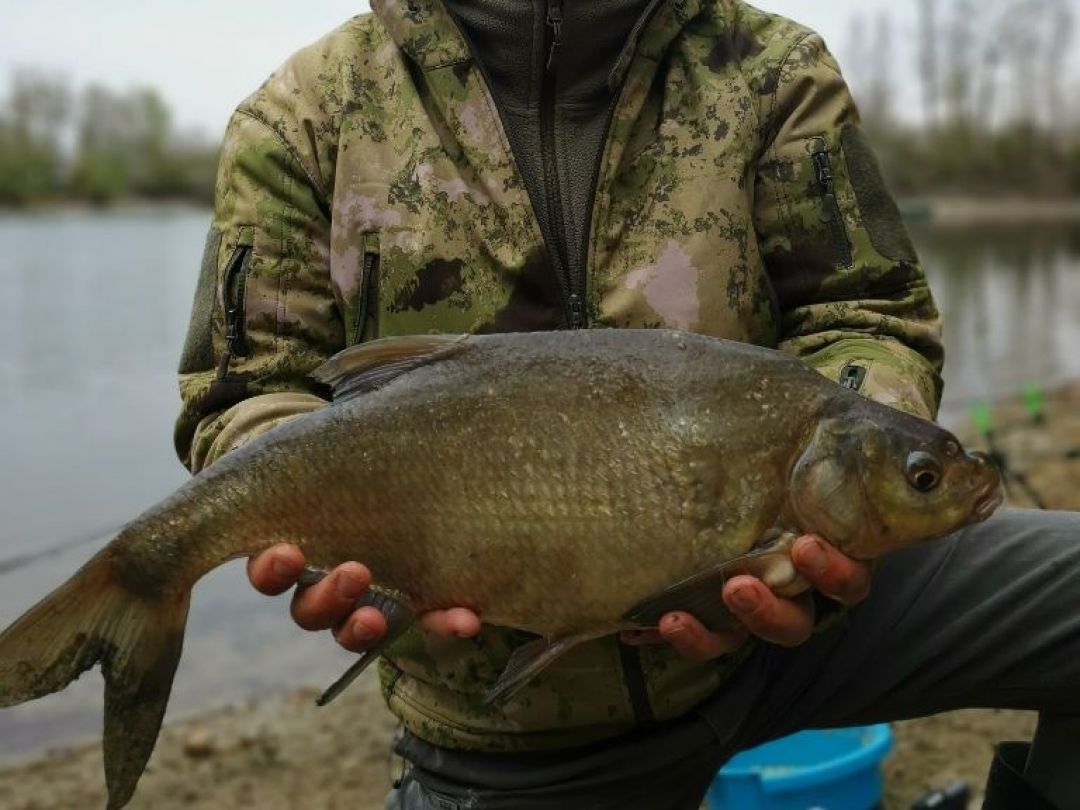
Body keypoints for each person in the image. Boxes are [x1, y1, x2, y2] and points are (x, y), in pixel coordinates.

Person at [175, 1, 1080, 807]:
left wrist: (854, 489)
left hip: (802, 612)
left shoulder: (772, 72)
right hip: (510, 705)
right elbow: (247, 392)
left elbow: (866, 315)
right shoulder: (302, 116)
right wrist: (320, 524)